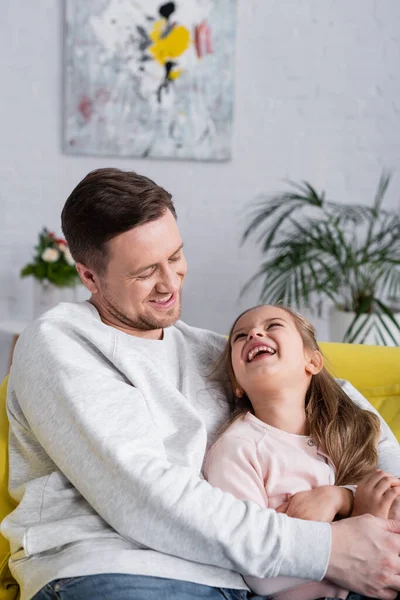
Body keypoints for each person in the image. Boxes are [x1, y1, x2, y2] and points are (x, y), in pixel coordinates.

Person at [2, 168, 400, 600]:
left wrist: (343, 496)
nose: (170, 284)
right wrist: (328, 549)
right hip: (120, 570)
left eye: (175, 257)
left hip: (249, 580)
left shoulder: (215, 352)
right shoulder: (61, 341)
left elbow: (340, 402)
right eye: (144, 272)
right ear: (90, 277)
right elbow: (145, 500)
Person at [204, 303, 400, 600]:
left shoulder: (345, 433)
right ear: (236, 385)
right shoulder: (237, 449)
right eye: (240, 336)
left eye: (273, 326)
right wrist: (361, 518)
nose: (255, 333)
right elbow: (256, 571)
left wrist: (342, 497)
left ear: (312, 362)